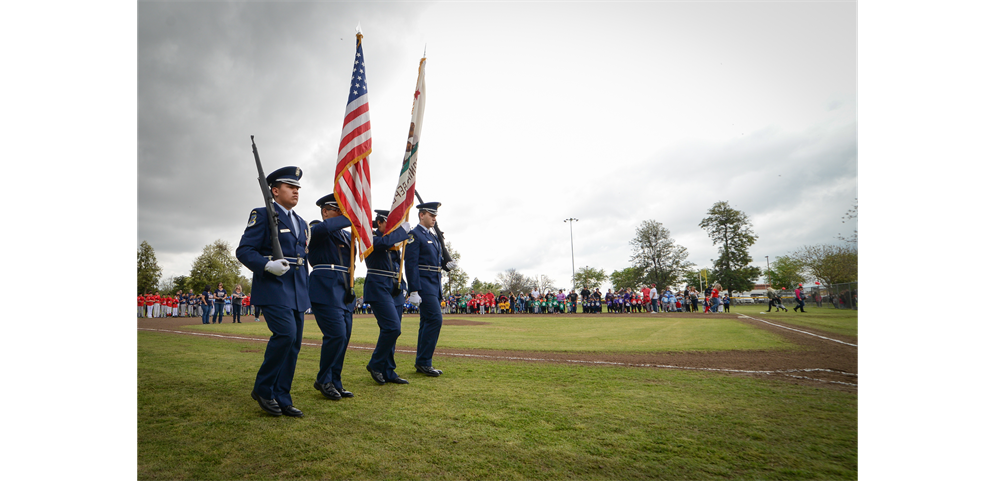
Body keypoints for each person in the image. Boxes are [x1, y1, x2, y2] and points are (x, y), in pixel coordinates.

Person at [236, 166, 310, 417]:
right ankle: (264, 389)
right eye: (291, 187)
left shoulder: (301, 222)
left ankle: (282, 395)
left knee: (294, 344)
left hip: (297, 290)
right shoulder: (262, 214)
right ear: (275, 191)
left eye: (298, 188)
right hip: (273, 287)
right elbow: (244, 250)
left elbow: (302, 258)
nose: (296, 191)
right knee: (286, 335)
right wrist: (267, 265)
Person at [307, 194, 358, 401]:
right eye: (337, 210)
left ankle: (335, 381)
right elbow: (323, 229)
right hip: (326, 287)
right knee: (336, 334)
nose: (342, 213)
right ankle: (323, 380)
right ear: (325, 211)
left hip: (344, 289)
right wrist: (353, 216)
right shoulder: (316, 228)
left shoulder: (347, 236)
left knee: (343, 338)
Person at [404, 202, 455, 377]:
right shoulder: (414, 235)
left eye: (435, 216)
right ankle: (425, 362)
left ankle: (422, 362)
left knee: (427, 322)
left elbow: (436, 261)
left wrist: (446, 265)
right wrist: (414, 290)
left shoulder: (433, 236)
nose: (434, 218)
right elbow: (410, 264)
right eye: (431, 215)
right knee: (435, 319)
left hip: (434, 283)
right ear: (421, 215)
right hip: (423, 285)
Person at [364, 209, 412, 385]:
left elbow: (397, 267)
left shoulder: (393, 242)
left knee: (392, 332)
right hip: (378, 287)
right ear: (379, 223)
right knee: (392, 328)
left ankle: (389, 371)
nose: (394, 228)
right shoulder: (370, 237)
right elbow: (383, 243)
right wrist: (402, 232)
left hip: (395, 288)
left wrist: (404, 286)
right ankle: (375, 364)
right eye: (391, 225)